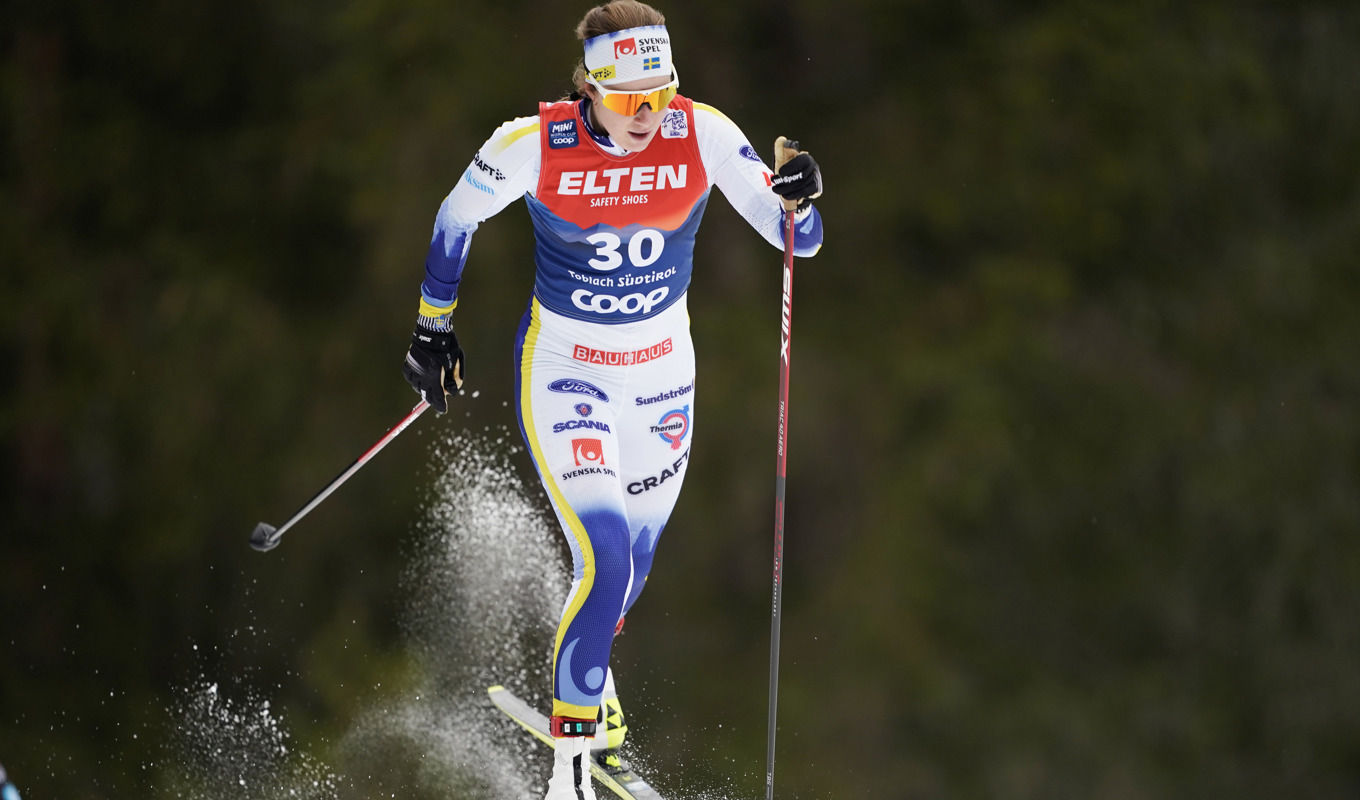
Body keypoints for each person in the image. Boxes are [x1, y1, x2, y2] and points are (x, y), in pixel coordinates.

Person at [400, 2, 823, 797]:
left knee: (629, 577)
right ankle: (571, 775)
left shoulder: (699, 133)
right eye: (631, 102)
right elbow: (456, 216)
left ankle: (604, 722)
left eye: (661, 95)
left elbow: (796, 237)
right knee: (604, 556)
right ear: (590, 87)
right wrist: (433, 327)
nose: (650, 117)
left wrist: (804, 194)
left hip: (664, 374)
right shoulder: (531, 145)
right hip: (569, 370)